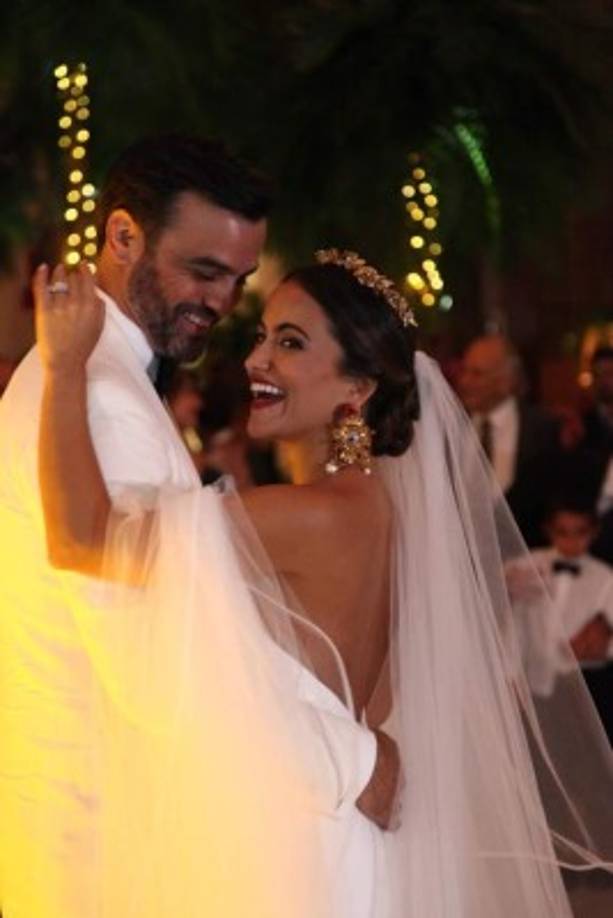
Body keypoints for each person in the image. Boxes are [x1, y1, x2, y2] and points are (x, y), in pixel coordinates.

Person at [29, 248, 613, 917]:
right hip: (349, 838)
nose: (256, 360)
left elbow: (79, 538)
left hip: (293, 850)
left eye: (290, 342)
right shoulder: (386, 516)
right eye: (261, 337)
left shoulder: (309, 515)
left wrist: (65, 366)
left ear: (355, 388)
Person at [0, 133, 275, 917]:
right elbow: (154, 644)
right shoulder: (101, 396)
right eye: (204, 271)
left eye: (239, 279)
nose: (223, 303)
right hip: (102, 826)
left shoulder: (92, 376)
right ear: (122, 236)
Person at [510, 498, 613, 743]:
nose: (571, 541)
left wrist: (599, 647)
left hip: (587, 689)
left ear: (593, 531)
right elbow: (510, 625)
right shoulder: (525, 567)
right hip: (533, 683)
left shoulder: (606, 578)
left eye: (580, 532)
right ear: (548, 530)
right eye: (562, 532)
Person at [458, 334, 560, 546]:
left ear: (507, 380)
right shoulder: (451, 427)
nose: (465, 381)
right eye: (464, 371)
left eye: (477, 374)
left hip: (528, 560)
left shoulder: (543, 428)